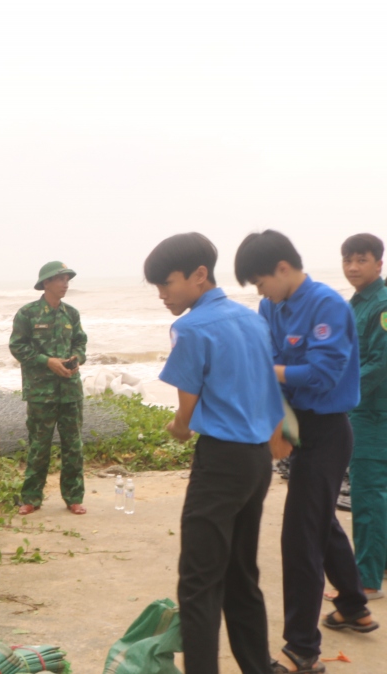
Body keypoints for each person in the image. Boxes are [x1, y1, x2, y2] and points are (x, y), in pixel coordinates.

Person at [234, 230, 378, 674]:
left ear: (282, 268)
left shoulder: (327, 305)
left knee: (300, 538)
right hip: (295, 425)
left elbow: (321, 374)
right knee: (318, 520)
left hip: (329, 432)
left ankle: (302, 650)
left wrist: (263, 370)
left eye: (260, 282)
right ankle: (354, 606)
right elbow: (274, 361)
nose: (260, 293)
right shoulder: (271, 306)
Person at [146, 233, 285, 674]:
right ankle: (256, 667)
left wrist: (178, 428)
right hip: (256, 462)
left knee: (199, 583)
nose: (163, 295)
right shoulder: (253, 321)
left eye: (167, 284)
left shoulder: (190, 327)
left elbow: (185, 411)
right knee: (242, 576)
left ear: (199, 275)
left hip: (221, 463)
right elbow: (267, 387)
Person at [9, 261, 88, 516]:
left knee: (73, 445)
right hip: (41, 393)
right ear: (46, 283)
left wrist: (76, 360)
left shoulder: (71, 314)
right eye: (60, 279)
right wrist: (48, 362)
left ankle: (74, 497)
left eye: (67, 279)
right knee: (39, 446)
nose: (65, 284)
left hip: (70, 391)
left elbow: (80, 343)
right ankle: (31, 498)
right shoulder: (27, 314)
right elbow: (17, 347)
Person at [339, 233, 387, 602]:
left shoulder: (383, 305)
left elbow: (380, 364)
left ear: (379, 264)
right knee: (374, 494)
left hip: (373, 415)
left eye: (361, 260)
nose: (353, 267)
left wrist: (342, 396)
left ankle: (367, 583)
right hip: (362, 409)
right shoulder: (355, 304)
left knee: (368, 495)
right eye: (347, 260)